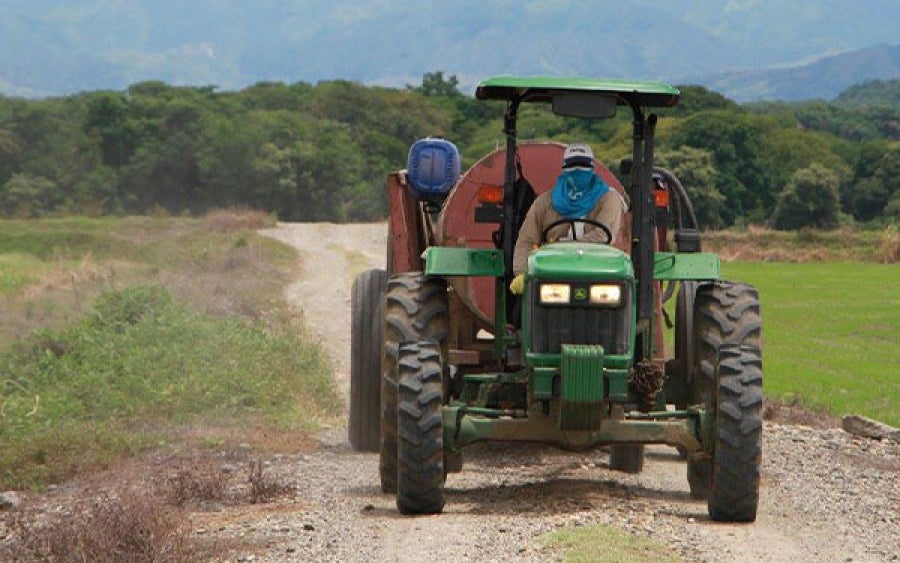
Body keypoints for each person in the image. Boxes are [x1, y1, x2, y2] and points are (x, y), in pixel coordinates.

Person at [510, 143, 628, 294]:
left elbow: (602, 235)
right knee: (523, 304)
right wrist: (521, 273)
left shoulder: (609, 199)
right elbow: (527, 239)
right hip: (552, 271)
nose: (578, 171)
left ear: (592, 168)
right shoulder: (545, 202)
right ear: (564, 169)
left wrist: (563, 249)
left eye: (583, 166)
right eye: (573, 166)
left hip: (598, 268)